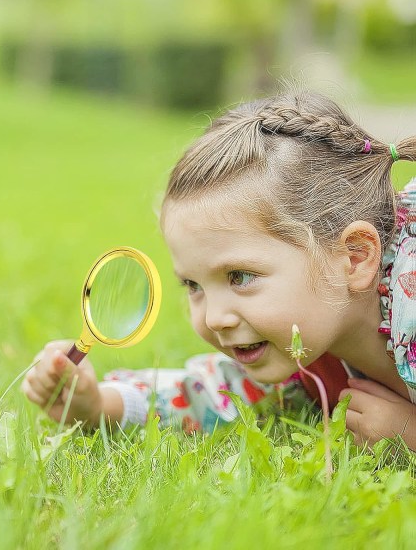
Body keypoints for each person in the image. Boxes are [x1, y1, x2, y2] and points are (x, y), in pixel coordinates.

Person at [22, 90, 416, 448]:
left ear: (354, 258)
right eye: (193, 285)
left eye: (239, 277)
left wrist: (408, 433)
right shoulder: (304, 340)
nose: (213, 318)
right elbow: (215, 392)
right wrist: (97, 405)